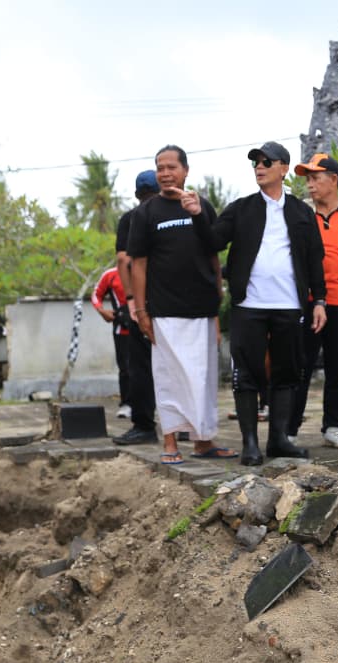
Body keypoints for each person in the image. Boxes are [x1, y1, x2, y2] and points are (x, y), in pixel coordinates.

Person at [189, 141, 326, 466]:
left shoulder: (301, 212)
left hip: (290, 304)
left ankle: (279, 439)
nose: (259, 167)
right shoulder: (241, 208)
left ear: (283, 168)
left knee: (287, 372)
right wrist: (197, 215)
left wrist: (319, 300)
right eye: (255, 163)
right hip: (249, 305)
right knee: (246, 374)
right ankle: (250, 443)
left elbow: (314, 260)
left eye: (266, 162)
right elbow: (213, 241)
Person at [127, 145, 236, 464]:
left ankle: (204, 441)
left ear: (185, 170)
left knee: (202, 377)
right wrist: (141, 310)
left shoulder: (200, 205)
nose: (165, 173)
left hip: (202, 307)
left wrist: (217, 305)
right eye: (160, 167)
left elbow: (214, 255)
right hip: (164, 309)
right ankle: (171, 442)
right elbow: (139, 264)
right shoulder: (145, 213)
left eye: (171, 167)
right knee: (169, 376)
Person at [289, 152, 338, 449]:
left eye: (315, 178)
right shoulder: (298, 214)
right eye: (307, 179)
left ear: (333, 180)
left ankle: (333, 426)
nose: (310, 185)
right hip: (306, 304)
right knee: (300, 366)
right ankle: (290, 428)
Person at [112, 170, 161, 445]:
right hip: (173, 299)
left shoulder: (130, 218)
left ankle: (144, 425)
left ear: (136, 195)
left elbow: (124, 261)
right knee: (176, 364)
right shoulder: (175, 213)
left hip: (142, 302)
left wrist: (131, 300)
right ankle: (186, 426)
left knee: (140, 366)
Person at [91, 265, 132, 419]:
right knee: (126, 367)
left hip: (146, 328)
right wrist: (102, 311)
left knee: (148, 367)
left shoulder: (146, 268)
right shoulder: (111, 274)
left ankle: (149, 404)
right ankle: (127, 404)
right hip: (122, 329)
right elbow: (96, 294)